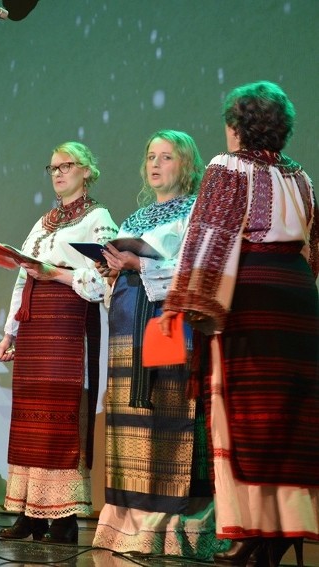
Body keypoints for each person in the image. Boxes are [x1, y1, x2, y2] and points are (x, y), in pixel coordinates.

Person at [160, 81, 318, 566]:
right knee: (289, 419)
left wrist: (188, 302)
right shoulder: (303, 178)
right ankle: (277, 532)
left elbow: (210, 235)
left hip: (250, 297)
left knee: (244, 417)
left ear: (238, 127)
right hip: (297, 299)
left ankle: (255, 529)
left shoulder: (227, 167)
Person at [90, 130, 226, 559]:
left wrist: (140, 263)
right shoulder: (136, 219)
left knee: (168, 416)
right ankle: (130, 527)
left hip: (171, 326)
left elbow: (193, 269)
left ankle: (170, 529)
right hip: (129, 325)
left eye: (166, 157)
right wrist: (113, 268)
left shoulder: (195, 214)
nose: (155, 164)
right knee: (133, 420)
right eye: (151, 156)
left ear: (186, 165)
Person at [0, 141, 118, 543]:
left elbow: (104, 280)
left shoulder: (99, 218)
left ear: (87, 171)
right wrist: (10, 330)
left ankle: (63, 519)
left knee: (61, 416)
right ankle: (31, 513)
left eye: (67, 166)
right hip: (34, 328)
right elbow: (23, 276)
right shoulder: (42, 222)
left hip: (68, 326)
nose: (59, 173)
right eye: (53, 168)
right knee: (29, 416)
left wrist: (56, 274)